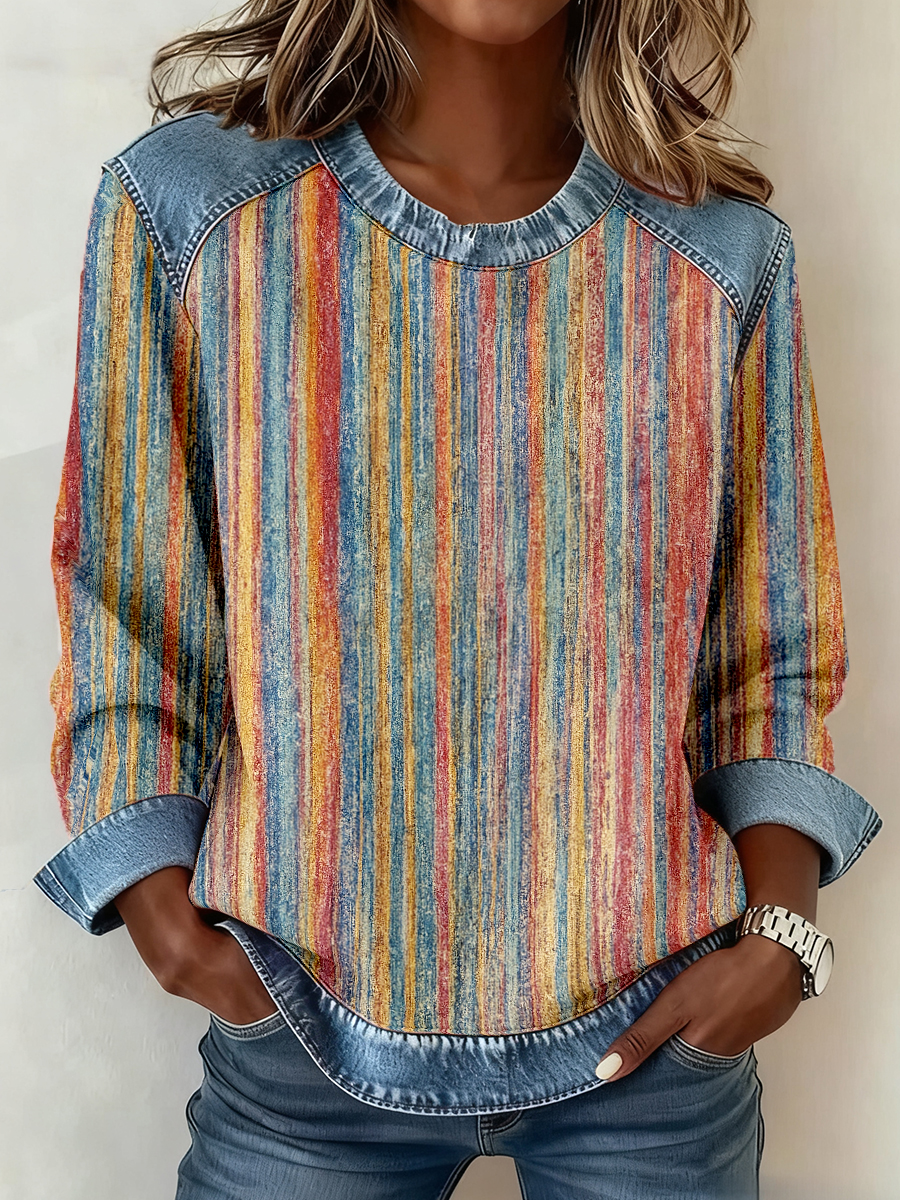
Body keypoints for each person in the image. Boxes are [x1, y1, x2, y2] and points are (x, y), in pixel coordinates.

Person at [34, 0, 881, 1196]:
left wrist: (779, 943)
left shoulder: (720, 255)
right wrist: (162, 915)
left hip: (657, 1052)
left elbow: (768, 656)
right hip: (298, 1042)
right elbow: (127, 607)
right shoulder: (192, 214)